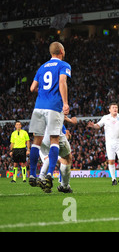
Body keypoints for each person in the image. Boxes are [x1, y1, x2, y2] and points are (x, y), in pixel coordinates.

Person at [28, 41, 71, 192]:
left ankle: (32, 174)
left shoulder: (42, 67)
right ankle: (49, 176)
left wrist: (43, 92)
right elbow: (62, 82)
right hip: (53, 106)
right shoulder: (63, 65)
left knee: (36, 142)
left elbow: (32, 87)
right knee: (54, 140)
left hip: (38, 107)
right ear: (61, 51)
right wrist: (65, 103)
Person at [88, 103, 119, 186]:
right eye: (113, 107)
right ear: (109, 110)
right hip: (109, 143)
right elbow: (98, 126)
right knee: (111, 161)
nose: (115, 109)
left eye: (116, 107)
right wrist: (93, 125)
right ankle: (113, 179)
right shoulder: (106, 118)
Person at [38, 116, 77, 193]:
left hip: (41, 143)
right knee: (65, 159)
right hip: (52, 145)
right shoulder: (59, 124)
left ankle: (43, 180)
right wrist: (68, 135)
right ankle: (64, 185)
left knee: (52, 159)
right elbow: (63, 139)